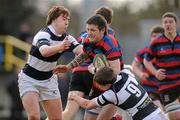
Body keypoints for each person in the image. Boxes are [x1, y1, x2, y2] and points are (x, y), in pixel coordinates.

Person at [18, 5, 82, 120]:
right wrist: (61, 46)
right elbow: (44, 52)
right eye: (64, 19)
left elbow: (82, 53)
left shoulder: (68, 38)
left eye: (68, 20)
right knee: (33, 116)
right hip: (29, 79)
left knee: (56, 118)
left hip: (48, 81)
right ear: (53, 19)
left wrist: (70, 65)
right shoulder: (43, 34)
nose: (67, 22)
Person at [53, 14, 123, 120]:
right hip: (96, 80)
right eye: (88, 29)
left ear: (103, 30)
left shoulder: (110, 43)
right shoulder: (87, 40)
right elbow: (83, 55)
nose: (89, 33)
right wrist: (68, 67)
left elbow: (115, 72)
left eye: (93, 30)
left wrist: (96, 70)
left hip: (112, 86)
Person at [69, 67, 168, 120]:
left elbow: (87, 104)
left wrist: (74, 96)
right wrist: (95, 70)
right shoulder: (126, 73)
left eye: (99, 85)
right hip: (157, 112)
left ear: (107, 85)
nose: (98, 87)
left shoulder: (112, 94)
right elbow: (109, 71)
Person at [144, 12, 180, 120]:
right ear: (163, 25)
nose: (168, 24)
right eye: (165, 22)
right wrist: (155, 72)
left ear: (176, 24)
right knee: (175, 117)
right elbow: (146, 61)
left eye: (170, 22)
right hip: (167, 85)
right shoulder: (156, 43)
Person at [132, 25, 164, 111]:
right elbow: (134, 65)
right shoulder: (144, 51)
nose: (156, 38)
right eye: (154, 36)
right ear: (150, 37)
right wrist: (140, 73)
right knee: (159, 111)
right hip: (149, 89)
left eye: (159, 36)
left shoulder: (168, 51)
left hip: (165, 88)